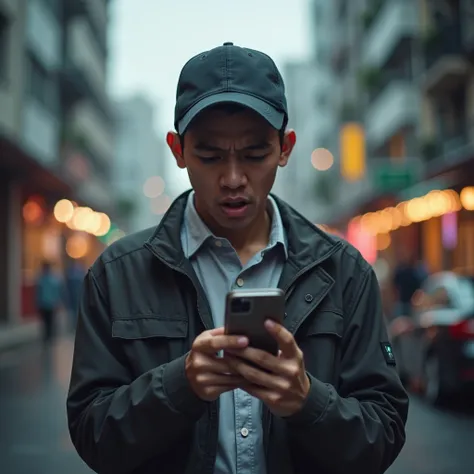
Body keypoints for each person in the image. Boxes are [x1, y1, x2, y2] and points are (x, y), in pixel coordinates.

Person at [67, 42, 408, 474]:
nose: (232, 179)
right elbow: (90, 433)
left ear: (285, 148)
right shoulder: (117, 274)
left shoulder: (344, 271)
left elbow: (384, 433)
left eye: (254, 155)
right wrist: (179, 385)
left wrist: (307, 401)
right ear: (177, 150)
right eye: (209, 156)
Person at [35, 261, 63, 344]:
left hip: (47, 304)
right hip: (49, 304)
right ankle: (49, 336)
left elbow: (39, 293)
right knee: (49, 321)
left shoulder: (42, 279)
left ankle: (48, 337)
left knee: (47, 322)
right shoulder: (52, 280)